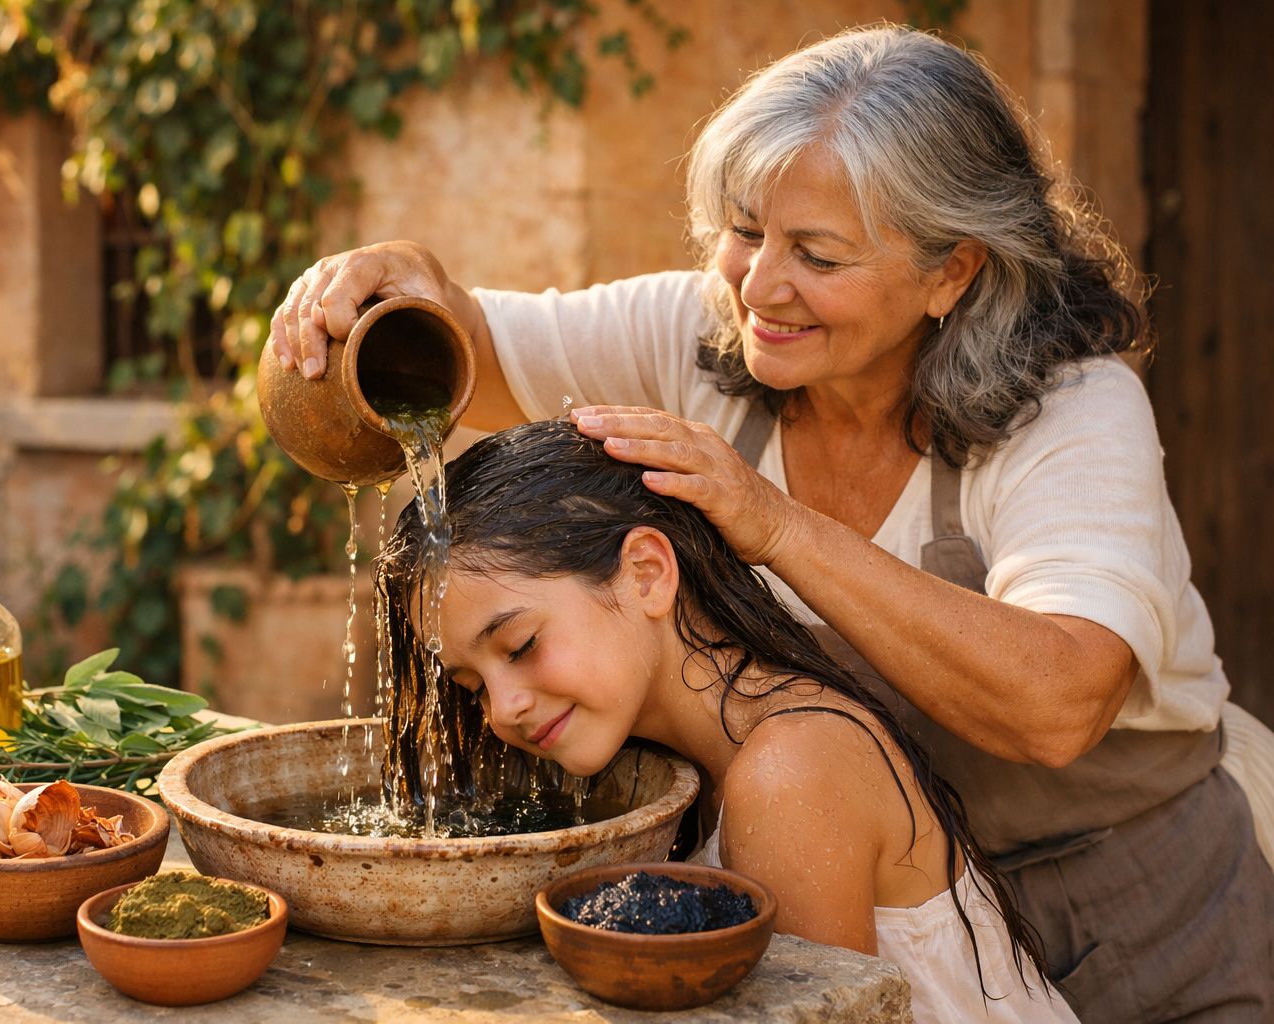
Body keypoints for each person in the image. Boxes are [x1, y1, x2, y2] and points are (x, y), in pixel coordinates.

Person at [271, 24, 1274, 1021]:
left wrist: (778, 526)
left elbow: (1058, 702)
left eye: (818, 254)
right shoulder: (698, 332)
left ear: (952, 272)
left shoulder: (1071, 409)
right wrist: (398, 278)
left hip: (1146, 913)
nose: (759, 286)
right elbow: (464, 350)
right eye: (746, 230)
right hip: (887, 889)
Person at [378, 419, 1077, 1023]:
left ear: (648, 573)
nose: (502, 710)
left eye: (521, 646)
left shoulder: (789, 774)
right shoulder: (677, 767)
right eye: (470, 686)